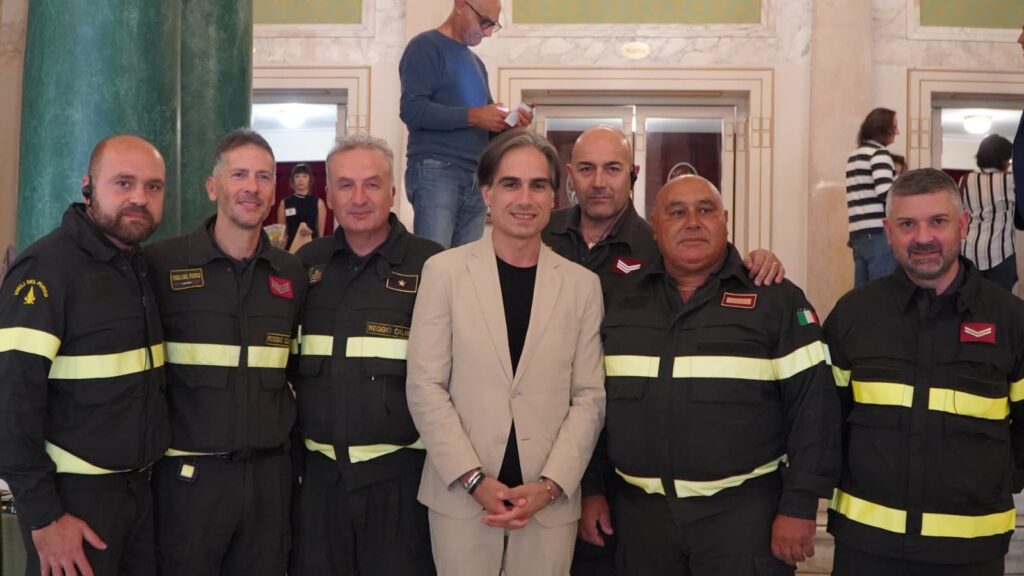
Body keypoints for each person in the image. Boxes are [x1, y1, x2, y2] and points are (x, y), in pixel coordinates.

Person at [540, 125, 786, 576]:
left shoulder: (658, 244)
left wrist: (756, 263)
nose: (599, 182)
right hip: (534, 438)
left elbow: (711, 260)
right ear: (569, 174)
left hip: (620, 468)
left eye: (612, 169)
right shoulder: (539, 235)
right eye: (587, 169)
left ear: (632, 174)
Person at [598, 174, 840, 576]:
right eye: (677, 212)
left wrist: (800, 506)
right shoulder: (622, 300)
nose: (692, 222)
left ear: (725, 220)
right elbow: (592, 403)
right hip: (641, 522)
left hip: (743, 520)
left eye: (705, 210)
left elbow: (814, 410)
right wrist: (592, 489)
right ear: (655, 227)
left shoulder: (776, 299)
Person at [406, 129, 605, 575]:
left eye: (538, 185)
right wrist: (473, 479)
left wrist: (551, 486)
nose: (525, 198)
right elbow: (425, 387)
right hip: (462, 501)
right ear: (487, 193)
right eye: (510, 184)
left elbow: (589, 397)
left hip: (548, 506)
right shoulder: (444, 273)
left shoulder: (582, 286)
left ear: (553, 197)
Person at [825, 168, 1024, 576]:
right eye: (907, 224)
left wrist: (998, 478)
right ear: (888, 232)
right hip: (866, 545)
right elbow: (823, 418)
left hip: (971, 550)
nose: (923, 238)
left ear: (963, 225)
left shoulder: (1011, 319)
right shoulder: (853, 314)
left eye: (938, 221)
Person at [0, 134, 170, 575]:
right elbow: (9, 402)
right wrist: (44, 517)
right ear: (88, 187)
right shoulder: (46, 269)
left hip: (139, 499)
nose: (139, 198)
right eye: (123, 183)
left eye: (153, 186)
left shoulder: (139, 266)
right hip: (71, 505)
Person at [145, 129, 307, 575]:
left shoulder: (292, 274)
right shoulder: (162, 266)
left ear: (273, 192)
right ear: (212, 187)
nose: (251, 187)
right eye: (239, 175)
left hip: (269, 484)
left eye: (263, 177)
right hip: (188, 483)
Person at [290, 134, 442, 575]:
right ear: (329, 195)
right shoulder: (305, 266)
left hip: (402, 484)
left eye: (372, 184)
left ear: (393, 192)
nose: (359, 198)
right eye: (346, 185)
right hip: (319, 485)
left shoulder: (434, 266)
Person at [399, 0, 532, 248]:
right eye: (484, 22)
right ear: (461, 5)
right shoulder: (425, 47)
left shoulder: (477, 64)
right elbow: (412, 110)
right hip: (437, 169)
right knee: (435, 260)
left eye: (493, 25)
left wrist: (510, 125)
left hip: (476, 175)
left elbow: (485, 128)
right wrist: (475, 116)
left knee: (467, 264)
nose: (487, 32)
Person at [846, 107, 900, 287]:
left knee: (863, 293)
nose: (897, 132)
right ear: (883, 128)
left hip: (858, 234)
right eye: (894, 127)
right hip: (878, 232)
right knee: (882, 291)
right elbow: (885, 193)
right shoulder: (879, 153)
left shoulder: (854, 155)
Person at [960, 134, 1017, 291]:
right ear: (1003, 159)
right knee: (999, 300)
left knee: (971, 297)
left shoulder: (965, 179)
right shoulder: (1009, 181)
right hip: (1001, 252)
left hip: (969, 250)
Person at [276, 163, 326, 251]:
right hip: (291, 249)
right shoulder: (285, 203)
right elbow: (282, 233)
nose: (300, 179)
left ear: (310, 179)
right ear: (292, 180)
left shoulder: (318, 203)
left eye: (304, 176)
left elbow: (320, 235)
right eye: (297, 176)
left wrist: (310, 233)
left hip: (312, 248)